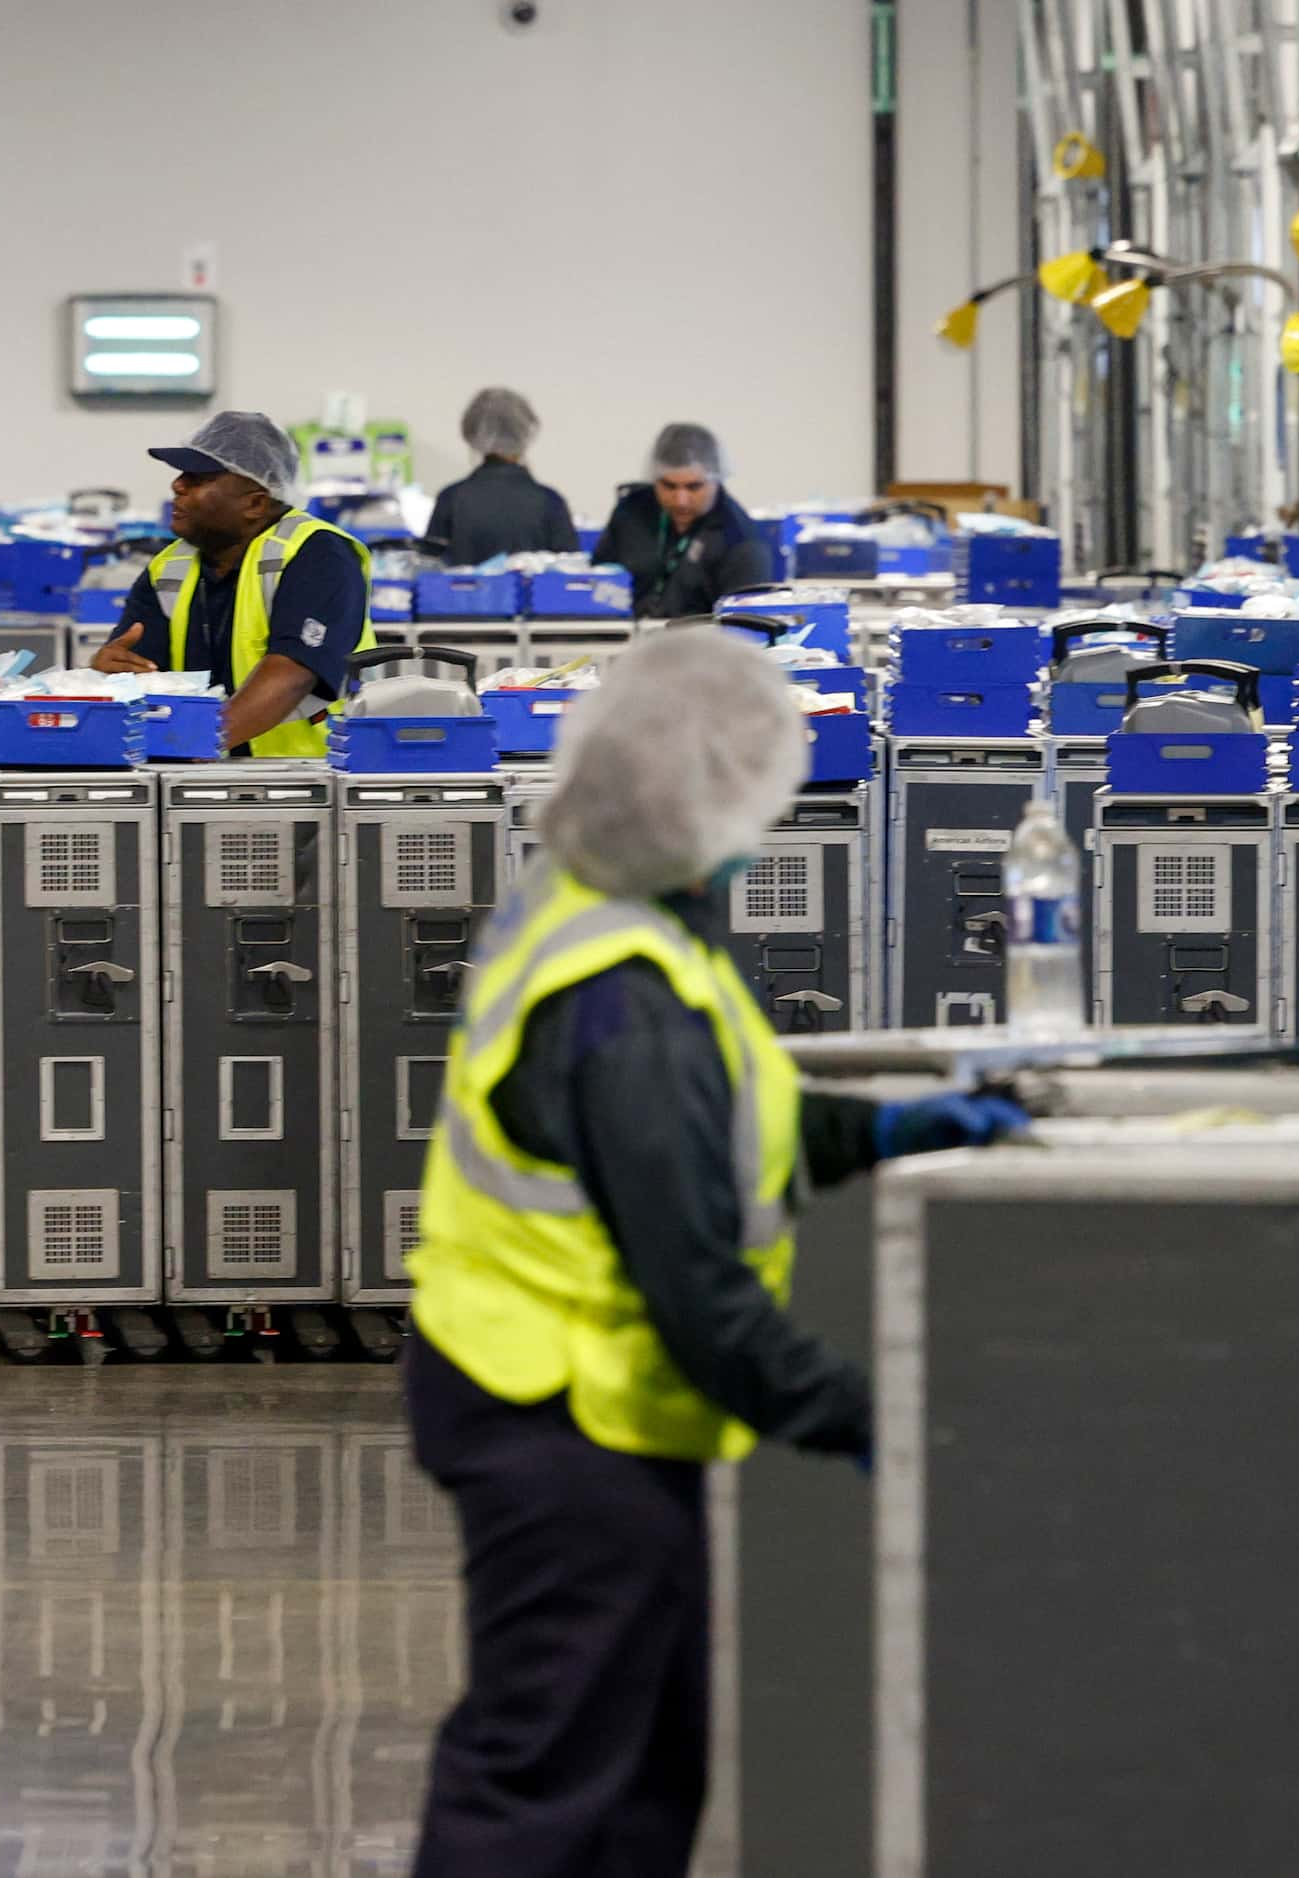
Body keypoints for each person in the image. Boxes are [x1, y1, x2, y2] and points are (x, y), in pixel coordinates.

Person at [404, 629, 1025, 1876]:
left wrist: (884, 1129)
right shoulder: (622, 986)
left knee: (642, 1762)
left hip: (587, 1410)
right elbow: (691, 1279)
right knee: (545, 1774)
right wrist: (858, 1414)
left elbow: (721, 1129)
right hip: (561, 1415)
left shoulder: (595, 909)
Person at [89, 411, 375, 755]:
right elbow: (141, 671)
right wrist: (109, 674)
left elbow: (293, 674)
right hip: (202, 782)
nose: (177, 485)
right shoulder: (170, 568)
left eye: (197, 478)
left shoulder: (317, 554)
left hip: (309, 779)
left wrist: (197, 744)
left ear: (255, 502)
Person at [593, 422, 778, 618]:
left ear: (716, 479)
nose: (681, 500)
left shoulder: (741, 539)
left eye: (694, 487)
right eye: (669, 486)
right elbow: (598, 579)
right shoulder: (630, 511)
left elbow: (744, 625)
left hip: (700, 644)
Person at [425, 386, 578, 564]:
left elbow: (429, 570)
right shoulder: (549, 502)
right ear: (526, 432)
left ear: (469, 433)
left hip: (463, 593)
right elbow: (572, 573)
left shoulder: (451, 499)